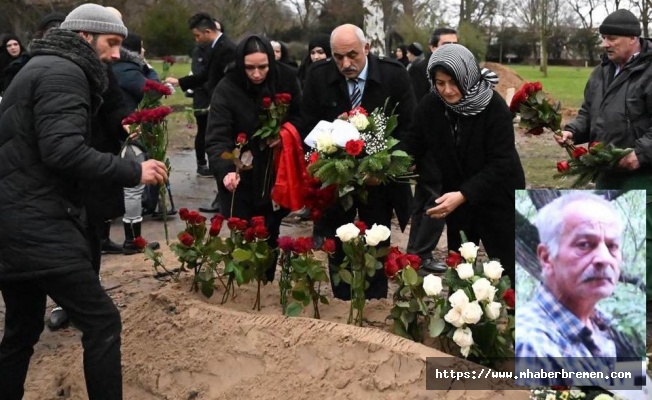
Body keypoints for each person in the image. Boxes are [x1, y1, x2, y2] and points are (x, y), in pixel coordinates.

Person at [0, 3, 168, 400]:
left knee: (21, 331)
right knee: (102, 322)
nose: (114, 54)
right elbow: (63, 151)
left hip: (13, 219)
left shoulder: (40, 66)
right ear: (83, 37)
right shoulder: (65, 72)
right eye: (110, 43)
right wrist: (133, 171)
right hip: (37, 222)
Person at [301, 24, 416, 300]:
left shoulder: (393, 75)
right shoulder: (318, 76)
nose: (345, 64)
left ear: (367, 48)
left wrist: (383, 169)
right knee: (338, 236)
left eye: (352, 55)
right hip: (336, 180)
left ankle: (374, 299)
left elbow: (410, 129)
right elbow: (308, 126)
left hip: (379, 182)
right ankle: (342, 297)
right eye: (338, 57)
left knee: (376, 237)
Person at [554, 9, 652, 303]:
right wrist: (573, 131)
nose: (606, 44)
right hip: (607, 168)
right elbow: (589, 114)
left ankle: (645, 308)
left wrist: (640, 153)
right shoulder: (601, 73)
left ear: (633, 38)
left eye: (612, 38)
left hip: (643, 173)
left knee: (641, 239)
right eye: (603, 39)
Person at [405, 44, 524, 285]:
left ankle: (515, 319)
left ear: (467, 76)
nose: (447, 90)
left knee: (509, 269)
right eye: (440, 83)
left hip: (497, 196)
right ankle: (461, 320)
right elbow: (413, 142)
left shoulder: (493, 107)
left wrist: (464, 194)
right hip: (457, 200)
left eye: (453, 82)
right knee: (460, 270)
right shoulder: (431, 106)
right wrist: (397, 162)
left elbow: (501, 163)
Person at [515, 192, 643, 386]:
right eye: (584, 245)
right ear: (546, 257)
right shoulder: (534, 345)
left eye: (612, 246)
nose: (603, 258)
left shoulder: (600, 325)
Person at [204, 34, 302, 282]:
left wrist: (286, 133)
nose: (257, 74)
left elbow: (304, 116)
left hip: (275, 170)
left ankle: (265, 282)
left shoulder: (287, 79)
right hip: (240, 173)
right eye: (250, 68)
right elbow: (217, 135)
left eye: (263, 67)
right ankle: (243, 283)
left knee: (270, 229)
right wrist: (225, 169)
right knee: (244, 230)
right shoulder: (227, 87)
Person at [166, 12, 236, 213]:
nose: (196, 40)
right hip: (216, 103)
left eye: (197, 36)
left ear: (207, 32)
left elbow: (227, 80)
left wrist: (220, 103)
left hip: (223, 106)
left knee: (222, 150)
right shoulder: (215, 48)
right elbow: (207, 75)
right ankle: (222, 197)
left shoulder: (227, 49)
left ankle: (225, 198)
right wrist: (180, 82)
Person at [405, 28, 458, 274]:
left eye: (455, 44)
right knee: (436, 200)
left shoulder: (456, 69)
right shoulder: (419, 70)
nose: (450, 49)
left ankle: (415, 254)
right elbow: (415, 109)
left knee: (425, 200)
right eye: (445, 44)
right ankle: (421, 254)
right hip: (428, 145)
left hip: (445, 145)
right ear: (432, 47)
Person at [112, 31, 164, 255]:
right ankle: (133, 238)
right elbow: (155, 90)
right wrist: (148, 67)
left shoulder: (115, 68)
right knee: (133, 188)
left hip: (118, 130)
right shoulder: (129, 70)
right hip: (130, 133)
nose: (144, 51)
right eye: (141, 47)